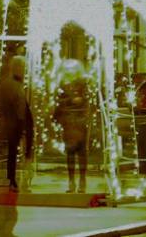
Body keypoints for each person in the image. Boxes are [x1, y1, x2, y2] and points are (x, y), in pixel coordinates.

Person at [0, 56, 36, 190]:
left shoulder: (15, 83)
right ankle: (13, 179)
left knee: (16, 150)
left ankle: (15, 178)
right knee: (13, 151)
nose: (24, 71)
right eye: (22, 68)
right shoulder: (11, 84)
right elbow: (12, 105)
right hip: (15, 122)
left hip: (18, 121)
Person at [53, 62, 92, 193]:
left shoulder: (83, 84)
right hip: (69, 123)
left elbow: (87, 101)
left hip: (80, 123)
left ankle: (81, 180)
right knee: (70, 152)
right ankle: (72, 181)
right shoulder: (64, 86)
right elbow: (59, 102)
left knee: (81, 152)